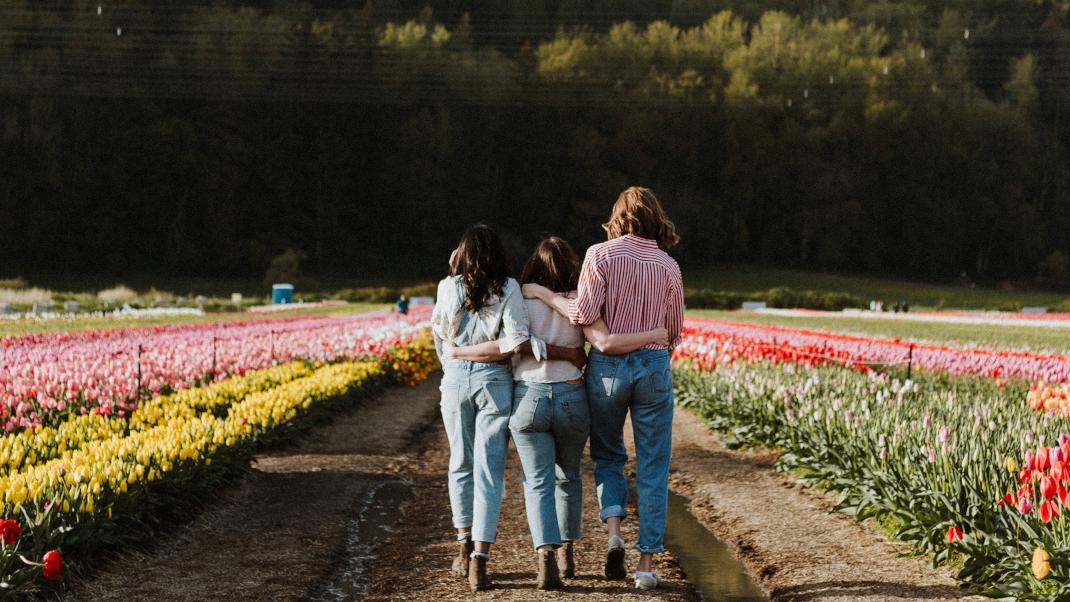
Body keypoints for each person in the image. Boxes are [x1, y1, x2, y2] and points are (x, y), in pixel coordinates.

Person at [448, 236, 666, 590]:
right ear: (572, 268)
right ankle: (568, 552)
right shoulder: (579, 304)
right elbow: (593, 343)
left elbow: (513, 344)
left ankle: (545, 557)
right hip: (571, 398)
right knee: (569, 476)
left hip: (528, 396)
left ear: (533, 267)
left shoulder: (521, 299)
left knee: (537, 482)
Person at [523, 186, 683, 591]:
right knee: (653, 466)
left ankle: (614, 533)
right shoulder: (669, 265)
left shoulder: (599, 254)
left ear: (618, 217)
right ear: (655, 218)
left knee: (609, 454)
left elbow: (583, 313)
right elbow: (675, 331)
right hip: (652, 366)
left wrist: (542, 293)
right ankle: (645, 564)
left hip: (608, 368)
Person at [431, 224, 531, 592]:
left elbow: (441, 338)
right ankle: (480, 559)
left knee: (460, 462)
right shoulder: (509, 288)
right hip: (494, 381)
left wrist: (457, 357)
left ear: (462, 255)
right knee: (489, 470)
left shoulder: (447, 287)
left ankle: (462, 543)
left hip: (456, 380)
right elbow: (516, 343)